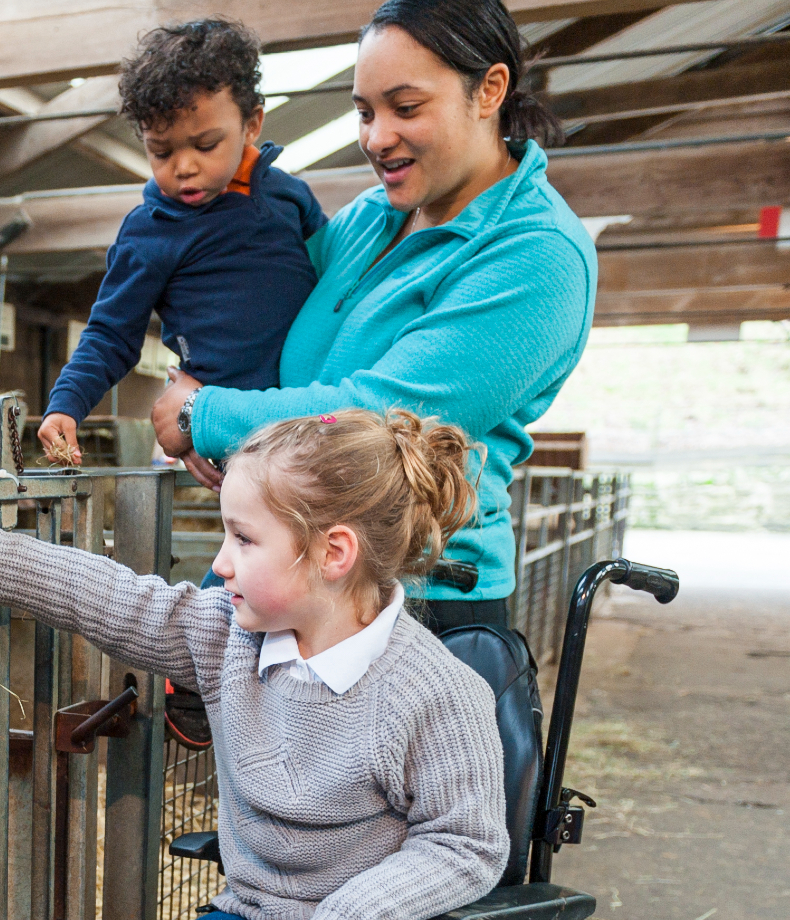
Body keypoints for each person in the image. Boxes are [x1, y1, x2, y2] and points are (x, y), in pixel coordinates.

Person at [0, 410, 507, 920]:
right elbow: (102, 595)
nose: (221, 563)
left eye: (244, 539)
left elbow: (467, 844)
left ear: (333, 553)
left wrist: (352, 913)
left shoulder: (437, 694)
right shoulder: (227, 638)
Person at [153, 0, 595, 634]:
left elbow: (381, 420)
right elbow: (259, 309)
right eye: (364, 112)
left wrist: (208, 414)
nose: (376, 138)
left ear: (489, 90)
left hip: (412, 599)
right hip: (289, 570)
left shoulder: (536, 254)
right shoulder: (368, 217)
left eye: (406, 108)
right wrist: (200, 371)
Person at [38, 18, 325, 465]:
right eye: (162, 151)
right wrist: (67, 403)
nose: (184, 167)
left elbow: (335, 277)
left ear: (252, 124)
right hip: (229, 429)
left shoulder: (289, 196)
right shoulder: (149, 232)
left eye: (206, 145)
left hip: (312, 407)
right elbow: (111, 333)